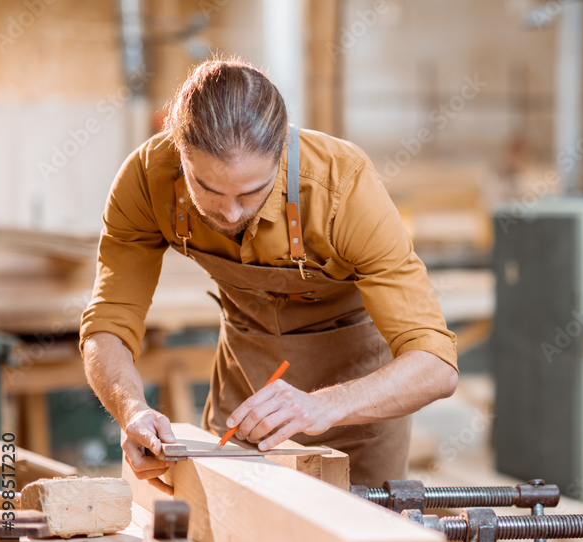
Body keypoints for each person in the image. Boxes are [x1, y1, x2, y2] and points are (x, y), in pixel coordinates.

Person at [81, 57, 458, 492]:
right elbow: (107, 323)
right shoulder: (147, 180)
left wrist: (323, 405)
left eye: (251, 192)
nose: (230, 212)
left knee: (356, 538)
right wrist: (132, 411)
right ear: (178, 149)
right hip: (241, 403)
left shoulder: (344, 186)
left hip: (356, 408)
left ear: (282, 152)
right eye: (208, 188)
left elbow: (436, 365)